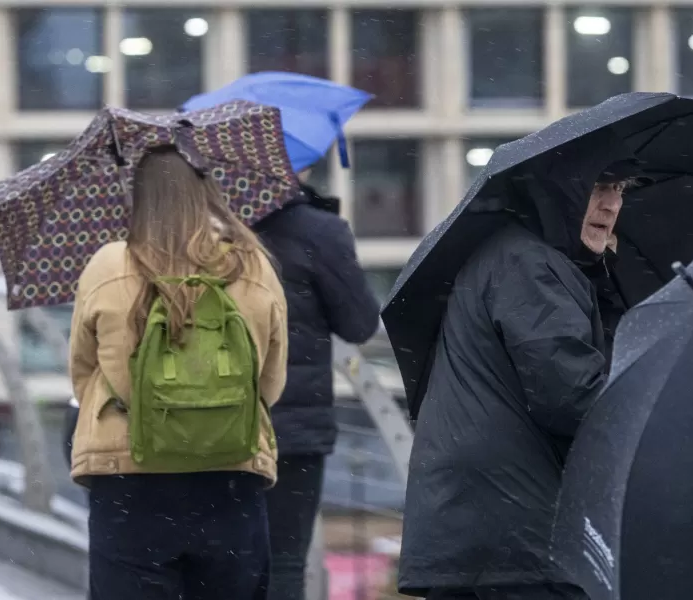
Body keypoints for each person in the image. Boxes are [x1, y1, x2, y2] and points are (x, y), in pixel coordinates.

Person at [396, 136, 647, 600]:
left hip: (485, 530)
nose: (612, 205)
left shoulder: (525, 256)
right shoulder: (530, 264)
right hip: (513, 533)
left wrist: (603, 282)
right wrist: (651, 419)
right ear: (563, 189)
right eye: (600, 187)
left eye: (622, 190)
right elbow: (573, 398)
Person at [67, 149, 289, 600]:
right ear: (207, 192)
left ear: (139, 199)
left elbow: (82, 369)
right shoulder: (251, 264)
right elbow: (269, 381)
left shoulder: (109, 265)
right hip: (229, 475)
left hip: (130, 479)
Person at [252, 165, 381, 600]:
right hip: (295, 429)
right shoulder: (317, 230)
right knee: (285, 563)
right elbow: (360, 323)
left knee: (224, 560)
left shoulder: (213, 228)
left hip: (220, 422)